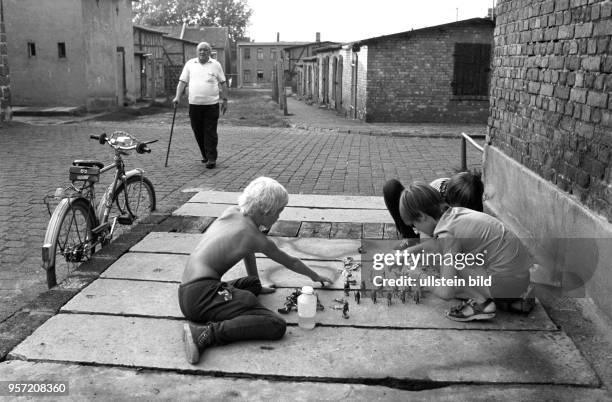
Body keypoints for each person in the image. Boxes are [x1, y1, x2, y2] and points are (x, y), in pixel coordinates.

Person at [178, 177, 332, 364]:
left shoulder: (232, 212)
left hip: (189, 289)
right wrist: (315, 276)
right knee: (275, 324)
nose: (279, 217)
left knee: (253, 284)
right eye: (279, 211)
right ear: (266, 210)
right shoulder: (255, 237)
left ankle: (240, 297)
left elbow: (246, 251)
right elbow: (291, 262)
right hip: (201, 297)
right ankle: (205, 334)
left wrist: (256, 282)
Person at [398, 182, 532, 322]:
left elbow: (446, 292)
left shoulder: (447, 235)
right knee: (442, 259)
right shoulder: (453, 215)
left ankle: (482, 304)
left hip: (507, 287)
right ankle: (496, 297)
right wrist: (408, 252)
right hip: (521, 280)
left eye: (414, 225)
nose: (416, 230)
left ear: (422, 216)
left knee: (441, 264)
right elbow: (438, 244)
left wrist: (418, 275)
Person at [383, 171, 484, 242]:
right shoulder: (436, 198)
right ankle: (409, 239)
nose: (456, 212)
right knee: (391, 187)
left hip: (435, 225)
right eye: (454, 209)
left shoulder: (473, 201)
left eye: (460, 211)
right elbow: (426, 226)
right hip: (425, 221)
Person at [173, 42, 228, 169]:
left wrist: (225, 100)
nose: (202, 52)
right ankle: (205, 155)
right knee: (198, 131)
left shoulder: (216, 65)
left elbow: (223, 84)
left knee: (210, 132)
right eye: (200, 50)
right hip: (194, 105)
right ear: (197, 52)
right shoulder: (190, 64)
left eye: (205, 50)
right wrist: (177, 96)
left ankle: (211, 158)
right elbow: (182, 82)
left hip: (211, 105)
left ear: (209, 52)